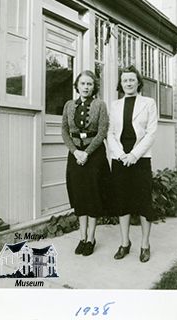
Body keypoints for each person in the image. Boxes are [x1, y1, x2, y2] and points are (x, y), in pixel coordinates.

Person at [107, 65, 158, 262]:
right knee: (122, 201)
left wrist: (134, 155)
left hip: (141, 159)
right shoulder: (115, 105)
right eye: (125, 80)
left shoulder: (149, 103)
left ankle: (145, 245)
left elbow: (151, 133)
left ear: (138, 82)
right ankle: (125, 243)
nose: (128, 83)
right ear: (121, 84)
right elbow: (110, 133)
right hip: (120, 159)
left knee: (144, 202)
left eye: (131, 80)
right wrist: (120, 154)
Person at [62, 70, 110, 256]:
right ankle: (81, 238)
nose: (86, 87)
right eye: (83, 83)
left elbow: (102, 131)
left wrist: (86, 153)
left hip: (94, 156)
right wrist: (75, 152)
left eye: (89, 84)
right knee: (79, 195)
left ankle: (91, 238)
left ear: (94, 86)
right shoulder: (68, 105)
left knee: (93, 195)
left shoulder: (100, 105)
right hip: (75, 155)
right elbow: (65, 131)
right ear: (77, 86)